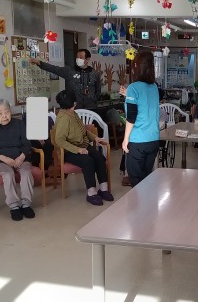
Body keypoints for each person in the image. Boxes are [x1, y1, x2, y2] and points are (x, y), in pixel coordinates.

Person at [54, 89, 113, 206]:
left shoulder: (73, 113)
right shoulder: (63, 119)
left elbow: (83, 131)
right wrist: (78, 150)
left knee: (99, 157)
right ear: (73, 103)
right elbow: (59, 140)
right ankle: (91, 193)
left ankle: (103, 189)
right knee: (88, 161)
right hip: (69, 150)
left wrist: (95, 138)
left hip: (83, 145)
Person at [0, 99, 36, 221]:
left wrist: (21, 157)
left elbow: (27, 143)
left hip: (20, 158)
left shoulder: (19, 124)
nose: (4, 116)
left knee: (26, 172)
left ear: (10, 111)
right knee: (8, 174)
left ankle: (26, 204)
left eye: (6, 112)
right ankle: (14, 206)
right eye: (0, 113)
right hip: (1, 160)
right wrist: (4, 159)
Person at [121, 50, 160, 186]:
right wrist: (128, 95)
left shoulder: (133, 87)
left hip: (138, 141)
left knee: (136, 181)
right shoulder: (154, 87)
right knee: (146, 179)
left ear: (136, 67)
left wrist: (125, 139)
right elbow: (145, 103)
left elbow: (131, 117)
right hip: (153, 139)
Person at [30, 49, 102, 108]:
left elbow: (98, 91)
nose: (78, 59)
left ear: (87, 60)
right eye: (77, 57)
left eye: (81, 57)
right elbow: (54, 69)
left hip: (91, 108)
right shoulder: (69, 71)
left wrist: (92, 99)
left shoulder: (94, 74)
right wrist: (39, 63)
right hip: (73, 109)